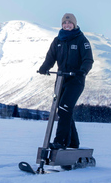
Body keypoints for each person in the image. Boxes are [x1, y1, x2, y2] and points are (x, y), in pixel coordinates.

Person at [38, 13, 94, 149]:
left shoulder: (81, 40)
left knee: (64, 107)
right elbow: (50, 57)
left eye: (69, 23)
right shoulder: (58, 41)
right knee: (64, 110)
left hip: (76, 79)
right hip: (61, 79)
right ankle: (74, 143)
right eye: (64, 23)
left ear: (74, 24)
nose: (67, 25)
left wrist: (82, 71)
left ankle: (60, 142)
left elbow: (88, 59)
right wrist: (44, 68)